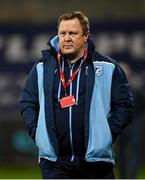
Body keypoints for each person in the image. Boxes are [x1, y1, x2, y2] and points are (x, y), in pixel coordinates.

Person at [20, 11, 134, 179]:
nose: (66, 38)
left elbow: (125, 105)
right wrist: (37, 132)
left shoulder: (108, 67)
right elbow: (28, 102)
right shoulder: (41, 68)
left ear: (86, 36)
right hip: (55, 163)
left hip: (96, 163)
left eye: (72, 33)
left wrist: (106, 134)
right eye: (62, 33)